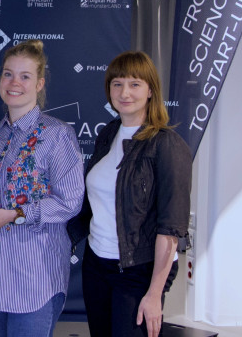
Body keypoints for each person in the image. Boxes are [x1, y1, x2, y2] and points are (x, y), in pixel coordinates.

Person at [0, 39, 85, 336]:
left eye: (25, 76)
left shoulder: (57, 135)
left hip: (34, 277)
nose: (14, 83)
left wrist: (15, 214)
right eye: (8, 74)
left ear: (39, 84)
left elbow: (70, 201)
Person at [67, 51, 191, 337]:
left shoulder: (167, 145)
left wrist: (154, 294)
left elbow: (171, 229)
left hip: (138, 270)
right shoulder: (108, 134)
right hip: (96, 263)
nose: (124, 92)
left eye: (135, 84)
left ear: (150, 91)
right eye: (117, 84)